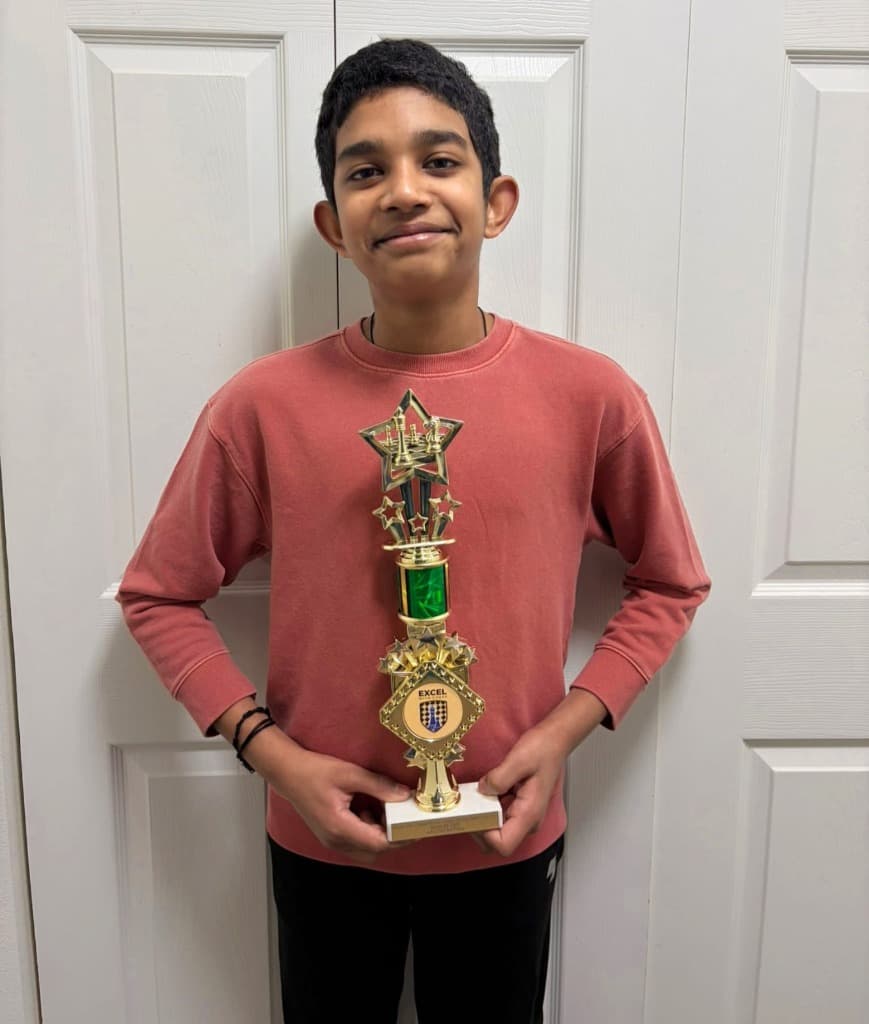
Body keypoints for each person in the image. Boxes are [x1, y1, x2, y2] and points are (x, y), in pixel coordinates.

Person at [117, 38, 711, 1024]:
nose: (403, 191)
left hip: (504, 838)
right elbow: (158, 594)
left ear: (496, 200)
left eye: (438, 161)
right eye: (365, 170)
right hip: (322, 836)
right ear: (331, 223)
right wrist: (271, 752)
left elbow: (670, 580)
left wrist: (563, 731)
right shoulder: (260, 407)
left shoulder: (589, 396)